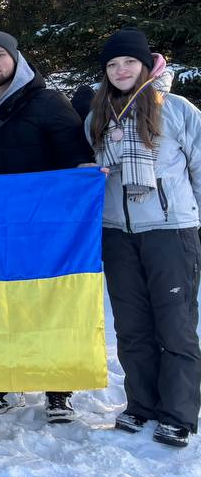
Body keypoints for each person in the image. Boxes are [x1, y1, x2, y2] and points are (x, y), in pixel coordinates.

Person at [0, 30, 94, 422]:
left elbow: (75, 159)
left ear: (16, 59)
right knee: (0, 305)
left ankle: (58, 389)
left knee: (49, 303)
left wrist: (84, 177)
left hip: (42, 227)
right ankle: (6, 380)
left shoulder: (49, 103)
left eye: (0, 56)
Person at [85, 28, 201, 448]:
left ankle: (178, 413)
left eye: (128, 62)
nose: (120, 70)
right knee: (132, 327)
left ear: (146, 64)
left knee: (176, 326)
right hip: (118, 234)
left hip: (171, 231)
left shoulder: (177, 110)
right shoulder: (96, 117)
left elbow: (199, 168)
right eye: (112, 65)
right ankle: (142, 405)